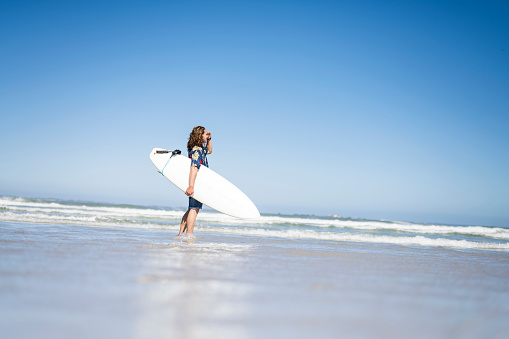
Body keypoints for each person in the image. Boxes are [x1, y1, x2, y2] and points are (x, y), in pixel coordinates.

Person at [178, 126, 212, 237]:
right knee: (194, 209)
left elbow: (210, 151)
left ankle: (179, 235)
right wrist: (191, 186)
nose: (207, 135)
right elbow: (194, 167)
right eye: (205, 134)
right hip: (196, 183)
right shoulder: (197, 150)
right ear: (199, 135)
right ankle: (189, 235)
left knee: (190, 209)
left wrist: (209, 139)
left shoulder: (200, 149)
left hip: (197, 182)